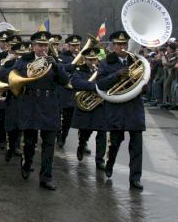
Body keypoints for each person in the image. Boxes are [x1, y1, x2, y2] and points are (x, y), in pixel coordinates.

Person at [11, 31, 69, 190]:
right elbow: (14, 78)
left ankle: (46, 178)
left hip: (49, 105)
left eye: (45, 45)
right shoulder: (24, 61)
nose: (43, 48)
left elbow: (65, 81)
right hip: (30, 104)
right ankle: (27, 162)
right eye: (39, 45)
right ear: (33, 46)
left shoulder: (54, 61)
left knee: (49, 144)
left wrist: (56, 66)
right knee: (29, 142)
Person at [98, 30, 147, 190]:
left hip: (134, 108)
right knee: (115, 143)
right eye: (118, 44)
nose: (122, 47)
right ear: (112, 46)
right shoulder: (106, 63)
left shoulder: (136, 61)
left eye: (124, 44)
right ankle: (110, 163)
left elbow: (144, 82)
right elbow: (101, 84)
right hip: (116, 109)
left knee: (136, 147)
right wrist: (117, 75)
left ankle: (135, 178)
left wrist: (144, 87)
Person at [70, 46, 108, 170]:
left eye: (94, 60)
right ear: (84, 59)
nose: (92, 62)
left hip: (100, 106)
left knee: (102, 133)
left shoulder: (102, 69)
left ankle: (100, 160)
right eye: (89, 60)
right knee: (86, 131)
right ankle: (81, 145)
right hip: (85, 106)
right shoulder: (79, 69)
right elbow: (76, 82)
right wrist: (96, 86)